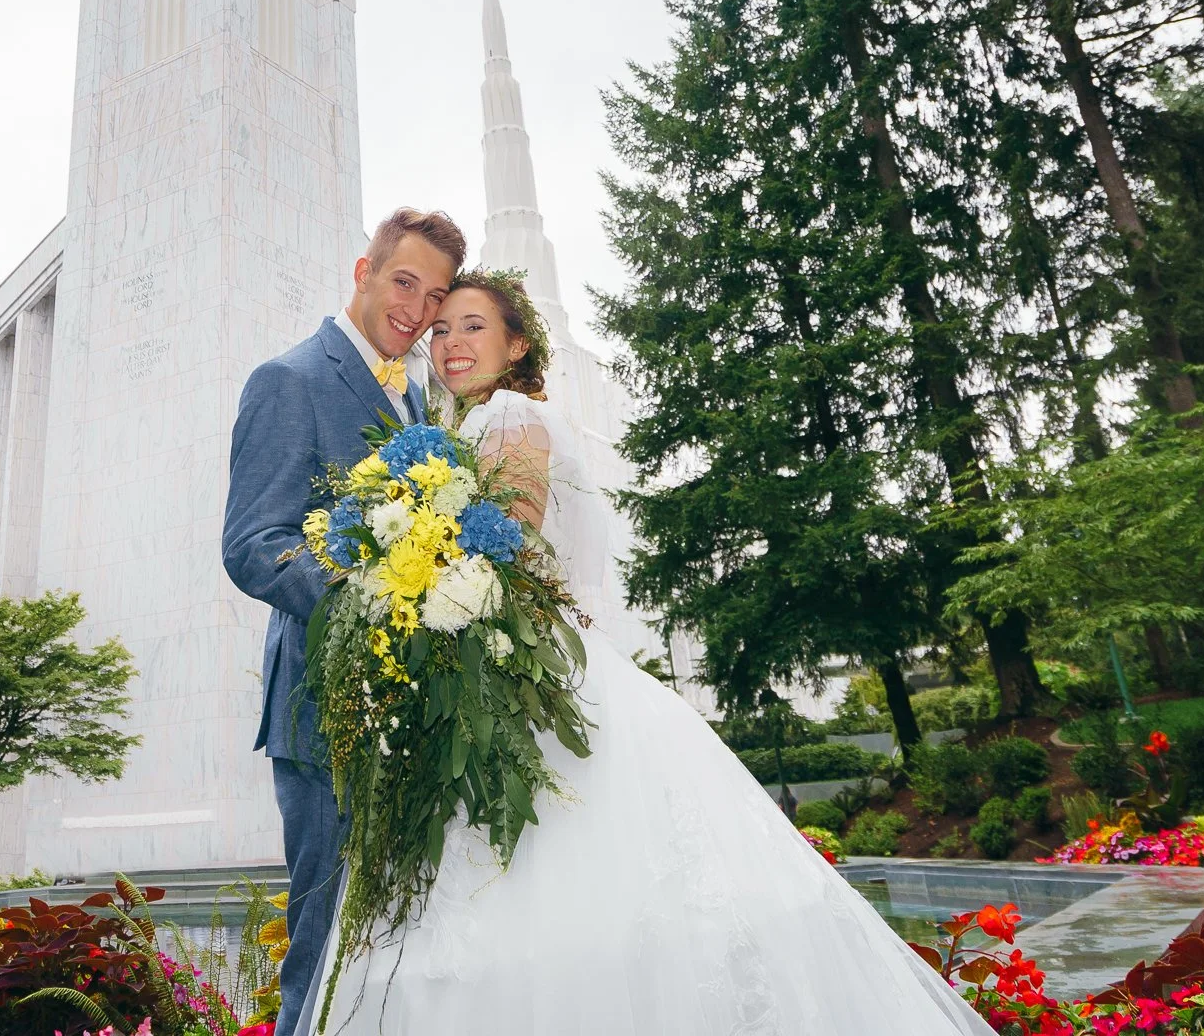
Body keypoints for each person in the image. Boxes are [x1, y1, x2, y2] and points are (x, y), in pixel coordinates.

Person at [297, 272, 994, 1034]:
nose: (450, 345)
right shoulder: (466, 427)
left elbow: (508, 550)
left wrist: (412, 572)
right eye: (441, 330)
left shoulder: (506, 416)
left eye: (472, 327)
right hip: (495, 667)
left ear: (516, 343)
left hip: (532, 675)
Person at [224, 208, 468, 1036]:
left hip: (410, 716)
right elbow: (253, 545)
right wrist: (375, 603)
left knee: (394, 954)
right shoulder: (289, 379)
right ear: (362, 271)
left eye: (434, 296)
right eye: (405, 282)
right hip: (326, 713)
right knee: (324, 954)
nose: (418, 309)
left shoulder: (422, 401)